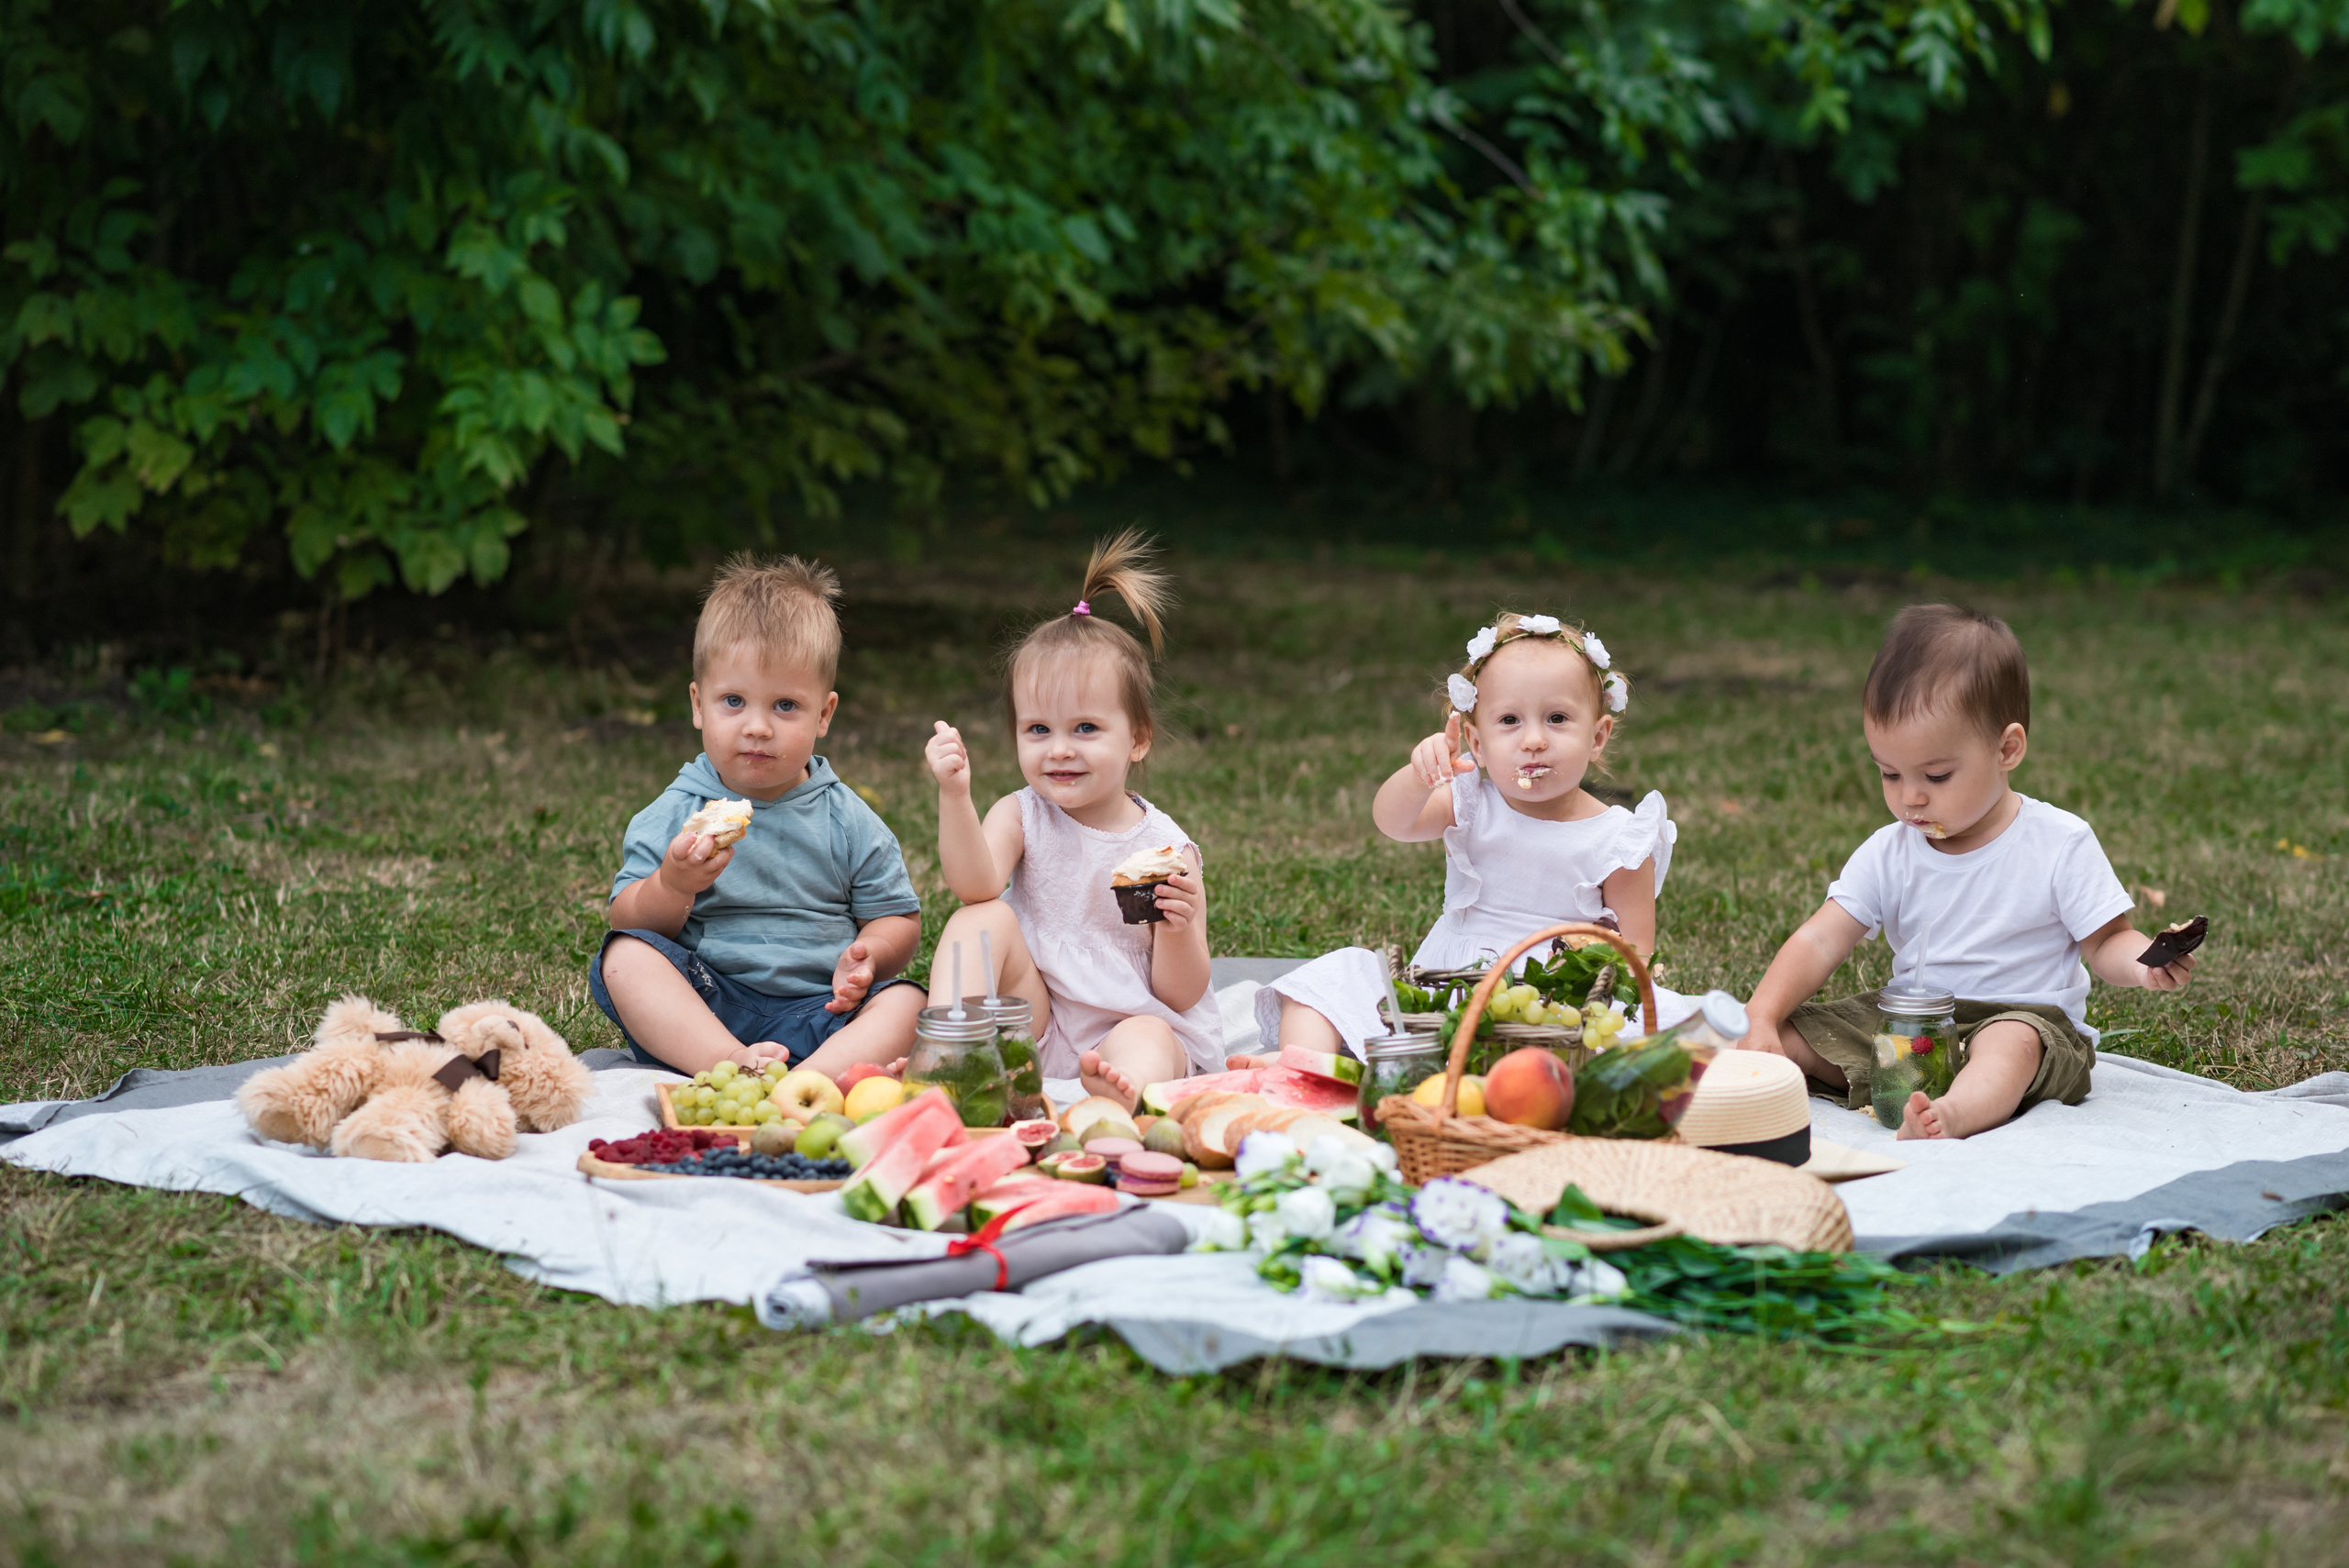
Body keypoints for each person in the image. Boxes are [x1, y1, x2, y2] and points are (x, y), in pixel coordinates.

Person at [1742, 604, 2196, 1140]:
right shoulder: (1891, 851)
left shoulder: (2058, 842)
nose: (1910, 797)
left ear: (2007, 749)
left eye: (1936, 775)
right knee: (1796, 1034)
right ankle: (1762, 1080)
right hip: (1914, 1026)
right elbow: (1821, 939)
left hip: (2029, 1023)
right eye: (1889, 773)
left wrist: (2145, 965)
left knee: (2011, 1043)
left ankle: (1953, 1115)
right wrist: (1762, 1015)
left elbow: (2105, 942)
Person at [1244, 611, 1681, 1061]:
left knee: (1669, 1036)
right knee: (1335, 976)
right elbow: (1393, 822)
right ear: (1477, 742)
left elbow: (1636, 952)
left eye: (1556, 718)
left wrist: (1586, 987)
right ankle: (1303, 1070)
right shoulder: (1473, 802)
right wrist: (1420, 777)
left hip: (1547, 1006)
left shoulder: (1619, 839)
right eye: (1509, 720)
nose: (1533, 740)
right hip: (1446, 986)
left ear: (1597, 737)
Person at [590, 555, 927, 1076]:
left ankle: (809, 1081)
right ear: (698, 705)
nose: (757, 727)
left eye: (785, 706)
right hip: (706, 1003)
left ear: (824, 715)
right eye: (733, 701)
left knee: (909, 1004)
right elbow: (629, 920)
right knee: (624, 957)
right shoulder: (677, 811)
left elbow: (898, 918)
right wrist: (673, 885)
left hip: (823, 1011)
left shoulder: (846, 818)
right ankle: (729, 1062)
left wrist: (871, 953)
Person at [922, 530, 1219, 1112]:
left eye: (1085, 729)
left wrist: (1178, 929)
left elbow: (1179, 994)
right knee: (977, 920)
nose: (1058, 750)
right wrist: (955, 795)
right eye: (1038, 730)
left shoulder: (1166, 851)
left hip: (1132, 1018)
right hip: (1040, 1021)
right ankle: (948, 1052)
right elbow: (975, 885)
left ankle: (1113, 1098)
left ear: (1137, 740)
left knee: (1148, 1038)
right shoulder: (1022, 813)